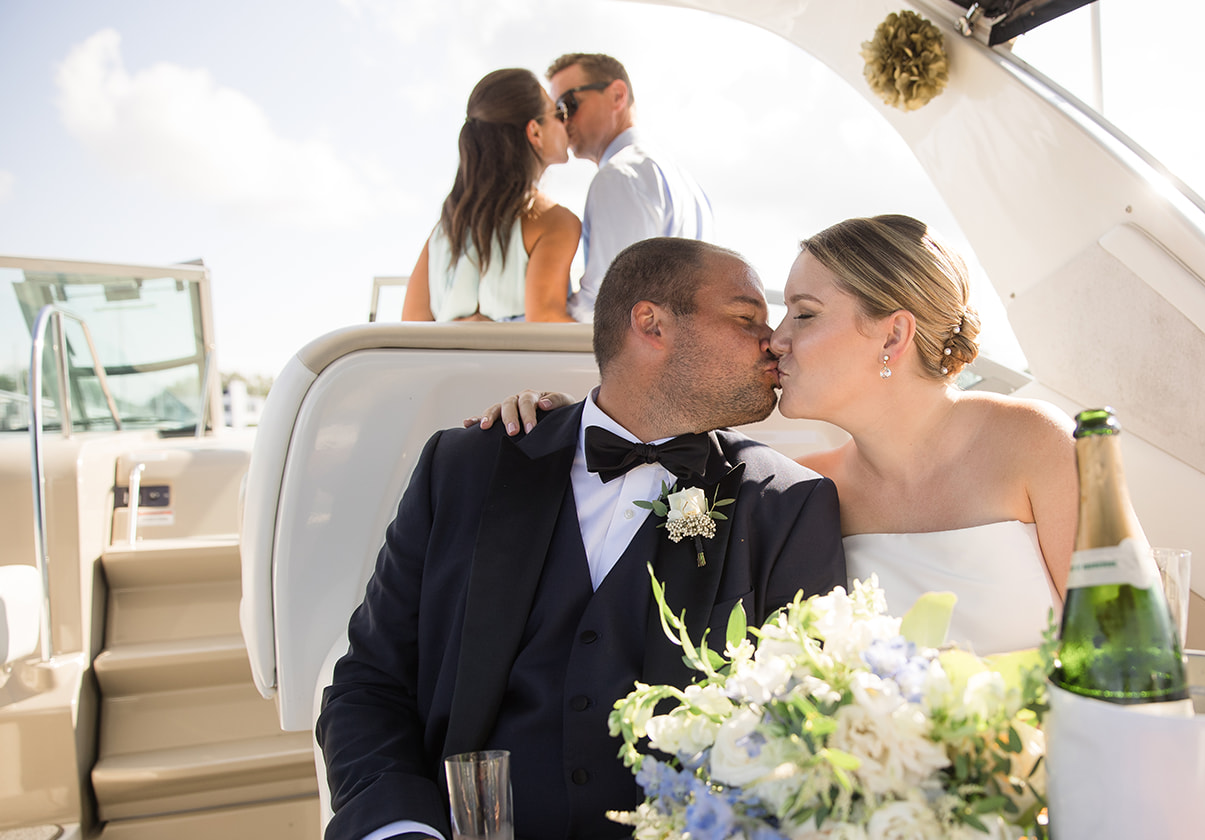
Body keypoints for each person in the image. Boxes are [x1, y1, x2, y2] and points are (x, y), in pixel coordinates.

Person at [35, 238, 845, 840]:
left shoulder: (784, 507)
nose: (774, 340)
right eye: (749, 319)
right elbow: (367, 688)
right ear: (650, 324)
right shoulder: (467, 466)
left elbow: (794, 764)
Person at [483, 215, 1077, 655]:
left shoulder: (1035, 444)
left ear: (893, 336)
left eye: (805, 313)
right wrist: (567, 424)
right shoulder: (806, 492)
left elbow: (1132, 650)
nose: (776, 339)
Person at [546, 53, 715, 322]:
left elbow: (605, 307)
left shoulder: (619, 176)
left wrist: (524, 313)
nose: (563, 121)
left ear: (617, 95)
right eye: (557, 112)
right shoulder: (685, 181)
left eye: (568, 104)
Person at [402, 68, 580, 323]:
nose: (566, 122)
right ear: (535, 132)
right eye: (558, 113)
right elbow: (547, 321)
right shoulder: (554, 221)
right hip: (519, 365)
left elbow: (412, 325)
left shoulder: (444, 231)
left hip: (444, 364)